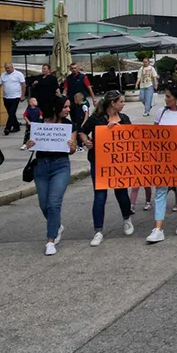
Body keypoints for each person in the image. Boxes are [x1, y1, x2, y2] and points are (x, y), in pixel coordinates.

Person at [78, 90, 135, 246]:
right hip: (99, 161)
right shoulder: (97, 119)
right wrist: (86, 141)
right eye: (121, 101)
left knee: (122, 193)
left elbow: (131, 138)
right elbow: (82, 131)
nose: (123, 104)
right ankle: (98, 231)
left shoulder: (124, 119)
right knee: (100, 195)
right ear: (113, 103)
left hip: (118, 163)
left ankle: (127, 218)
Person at [24, 95, 77, 255]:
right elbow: (29, 145)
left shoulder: (69, 125)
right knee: (44, 204)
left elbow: (72, 150)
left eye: (69, 107)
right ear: (56, 107)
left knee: (54, 203)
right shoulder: (40, 124)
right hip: (41, 166)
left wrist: (71, 145)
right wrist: (30, 144)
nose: (68, 110)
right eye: (65, 107)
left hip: (60, 165)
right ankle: (57, 225)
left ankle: (50, 240)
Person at [146, 87, 177, 243]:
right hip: (163, 157)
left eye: (168, 97)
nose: (165, 99)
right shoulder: (161, 112)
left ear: (176, 99)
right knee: (160, 189)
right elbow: (154, 134)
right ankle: (158, 227)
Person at [0, 62, 26, 135]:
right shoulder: (3, 75)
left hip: (16, 97)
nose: (7, 70)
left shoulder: (19, 74)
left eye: (8, 68)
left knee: (12, 112)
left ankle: (7, 128)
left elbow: (23, 85)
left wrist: (23, 95)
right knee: (10, 113)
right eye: (6, 68)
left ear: (12, 67)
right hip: (6, 97)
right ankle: (16, 126)